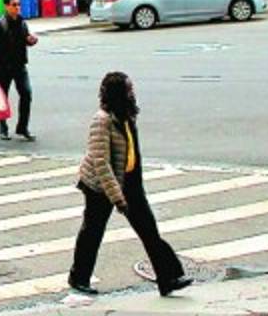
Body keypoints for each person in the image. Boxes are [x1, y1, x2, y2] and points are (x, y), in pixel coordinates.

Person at [70, 72, 192, 298]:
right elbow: (100, 163)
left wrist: (133, 186)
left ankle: (169, 278)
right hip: (100, 186)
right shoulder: (102, 120)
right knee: (92, 232)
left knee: (149, 231)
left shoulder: (126, 115)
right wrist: (117, 197)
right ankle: (79, 278)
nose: (132, 93)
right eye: (129, 89)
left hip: (130, 183)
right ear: (118, 93)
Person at [0, 0, 38, 141]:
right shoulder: (0, 25)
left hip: (19, 66)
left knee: (26, 93)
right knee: (1, 98)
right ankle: (3, 126)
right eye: (14, 5)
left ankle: (22, 127)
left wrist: (30, 40)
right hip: (4, 67)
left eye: (18, 4)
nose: (17, 7)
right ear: (6, 6)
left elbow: (25, 39)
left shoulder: (22, 23)